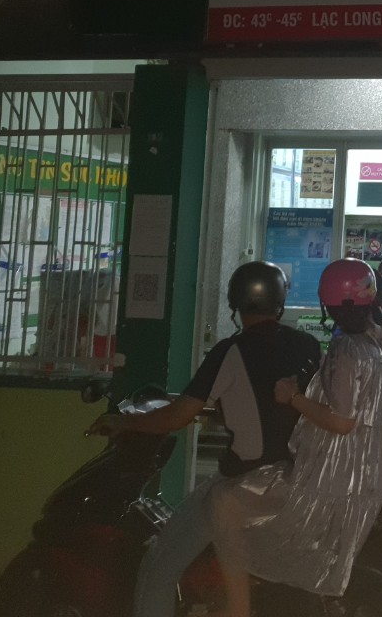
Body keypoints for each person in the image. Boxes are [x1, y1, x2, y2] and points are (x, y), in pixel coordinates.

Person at [88, 261, 321, 617]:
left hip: (245, 484)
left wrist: (125, 422)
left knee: (159, 565)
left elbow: (178, 416)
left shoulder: (232, 351)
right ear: (279, 300)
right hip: (300, 481)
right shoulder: (308, 345)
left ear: (235, 302)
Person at [207, 257, 382, 617]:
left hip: (337, 475)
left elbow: (342, 422)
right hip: (379, 468)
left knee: (222, 501)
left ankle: (237, 608)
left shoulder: (347, 348)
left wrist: (293, 397)